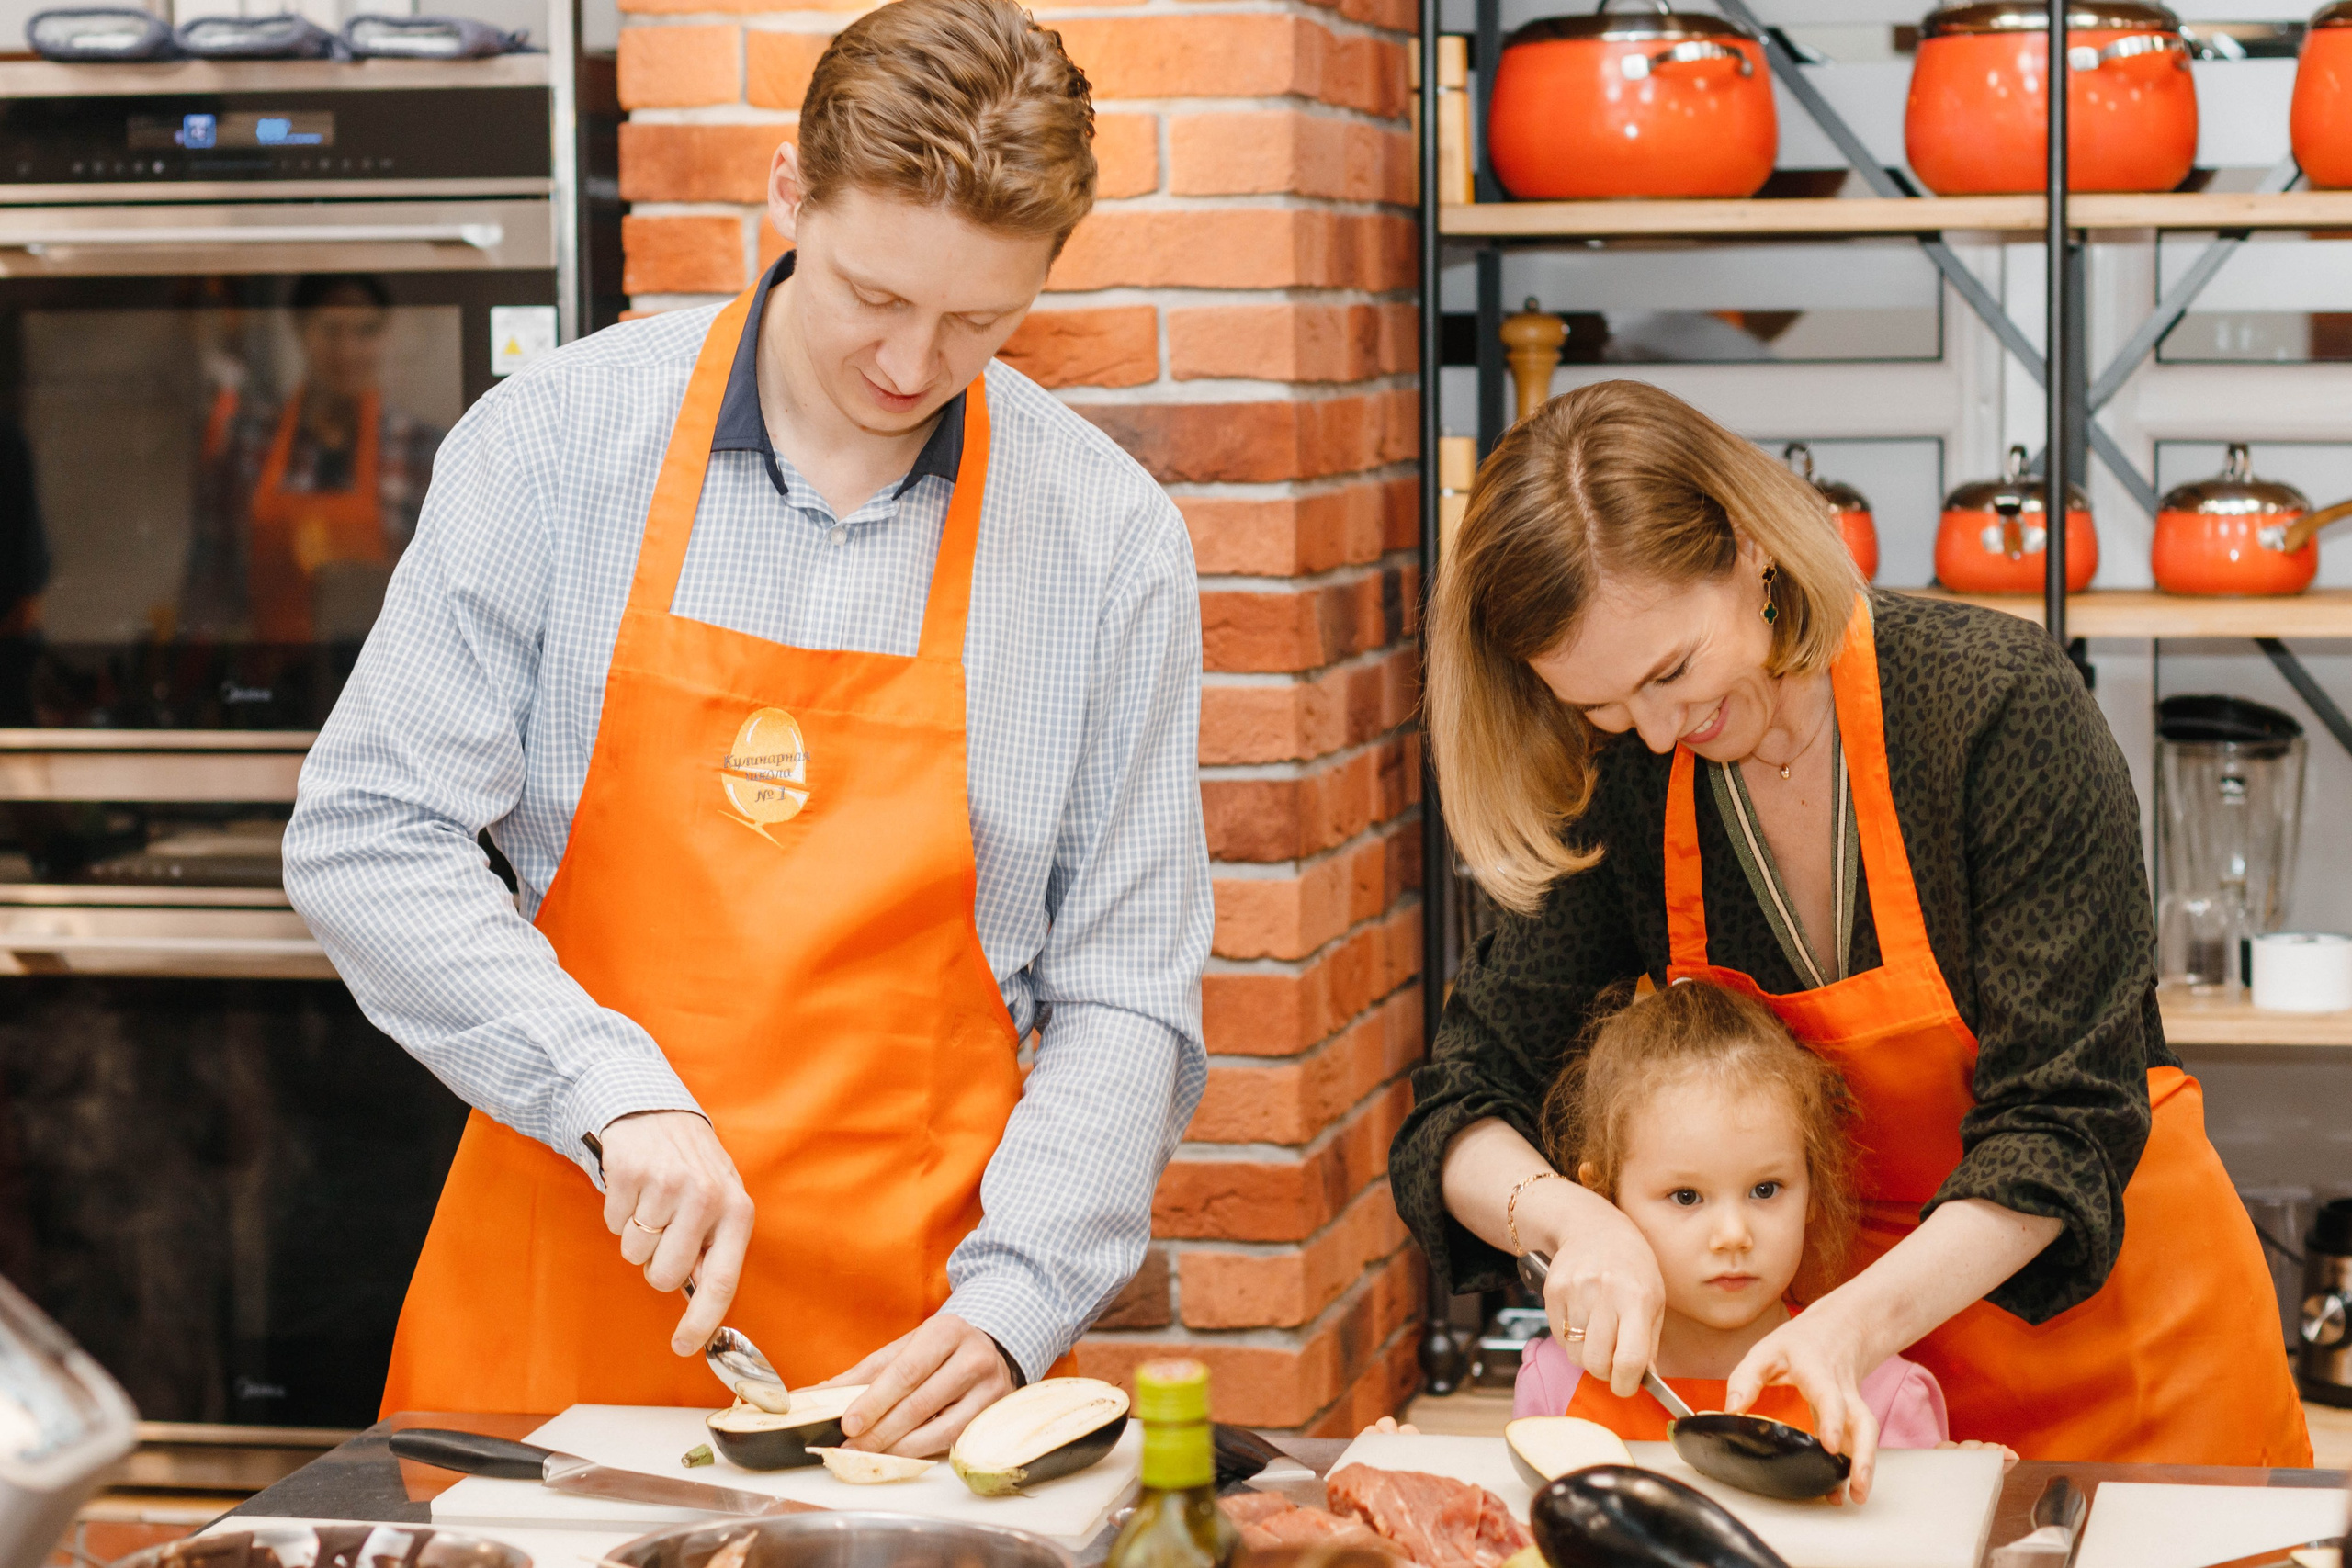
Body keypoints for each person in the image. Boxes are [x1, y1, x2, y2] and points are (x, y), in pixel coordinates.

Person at [282, 0, 1211, 1458]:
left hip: (910, 1366)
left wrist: (1017, 1304)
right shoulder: (554, 445)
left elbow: (1126, 990)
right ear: (788, 193)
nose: (912, 363)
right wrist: (607, 1086)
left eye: (979, 319)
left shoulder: (1108, 542)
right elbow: (366, 834)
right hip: (551, 1322)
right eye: (872, 295)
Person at [1395, 379, 2309, 1499]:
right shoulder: (1628, 780)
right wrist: (1572, 1219)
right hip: (1860, 1398)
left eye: (1671, 670)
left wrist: (1850, 1331)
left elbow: (2063, 1123)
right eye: (1600, 705)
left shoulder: (1992, 710)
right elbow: (1460, 1102)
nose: (1655, 729)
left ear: (1750, 551)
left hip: (2127, 1353)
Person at [1510, 977, 1947, 1454]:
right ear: (1604, 1199)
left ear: (1814, 1194)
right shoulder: (1553, 1384)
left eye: (1765, 1190)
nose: (1734, 1236)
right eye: (1686, 1197)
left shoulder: (1881, 1398)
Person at [182, 274, 442, 643]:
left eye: (366, 331)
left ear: (385, 338)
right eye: (331, 330)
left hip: (386, 684)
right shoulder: (246, 440)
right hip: (265, 680)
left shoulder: (422, 448)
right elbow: (208, 578)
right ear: (301, 330)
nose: (347, 350)